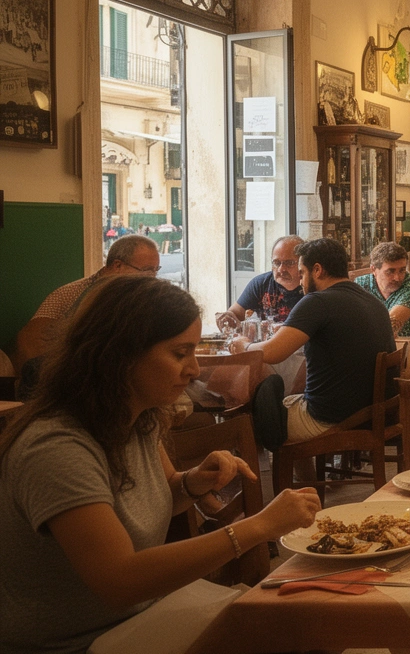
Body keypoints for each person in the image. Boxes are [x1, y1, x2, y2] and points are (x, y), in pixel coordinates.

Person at [0, 276, 320, 653]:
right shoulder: (56, 446)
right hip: (79, 643)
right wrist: (258, 527)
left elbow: (162, 495)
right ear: (119, 354)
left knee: (314, 622)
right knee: (303, 633)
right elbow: (119, 580)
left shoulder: (137, 418)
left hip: (140, 618)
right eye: (180, 353)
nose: (194, 369)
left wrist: (194, 482)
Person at [234, 239, 397, 451]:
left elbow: (273, 352)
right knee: (284, 398)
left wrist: (243, 346)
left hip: (330, 419)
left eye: (302, 272)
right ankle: (305, 480)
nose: (301, 281)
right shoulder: (372, 301)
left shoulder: (317, 302)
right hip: (373, 414)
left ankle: (252, 477)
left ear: (317, 270)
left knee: (248, 420)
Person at [16, 234, 161, 371]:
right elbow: (29, 343)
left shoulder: (146, 298)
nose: (153, 278)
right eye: (147, 271)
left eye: (156, 271)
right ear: (117, 266)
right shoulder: (69, 294)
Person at [217, 235, 304, 330]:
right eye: (276, 263)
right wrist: (227, 318)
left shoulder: (311, 287)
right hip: (264, 343)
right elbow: (235, 314)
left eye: (289, 263)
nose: (281, 269)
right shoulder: (261, 284)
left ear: (303, 263)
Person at [355, 242, 410, 337]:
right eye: (390, 271)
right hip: (379, 345)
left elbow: (389, 327)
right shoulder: (361, 284)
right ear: (373, 270)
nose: (397, 278)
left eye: (402, 270)